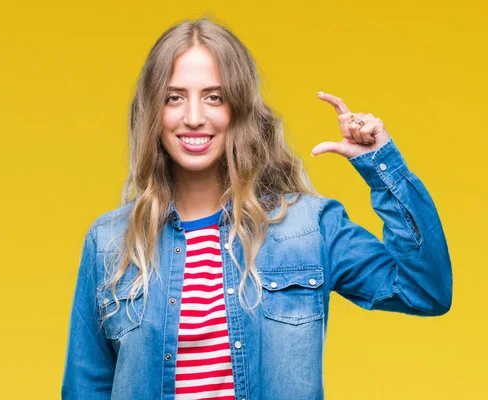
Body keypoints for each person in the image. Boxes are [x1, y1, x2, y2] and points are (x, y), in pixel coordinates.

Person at [61, 17, 452, 400]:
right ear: (153, 113)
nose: (194, 118)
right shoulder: (110, 241)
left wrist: (380, 164)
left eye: (214, 97)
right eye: (174, 97)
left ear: (240, 109)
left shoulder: (308, 228)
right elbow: (86, 388)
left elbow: (424, 290)